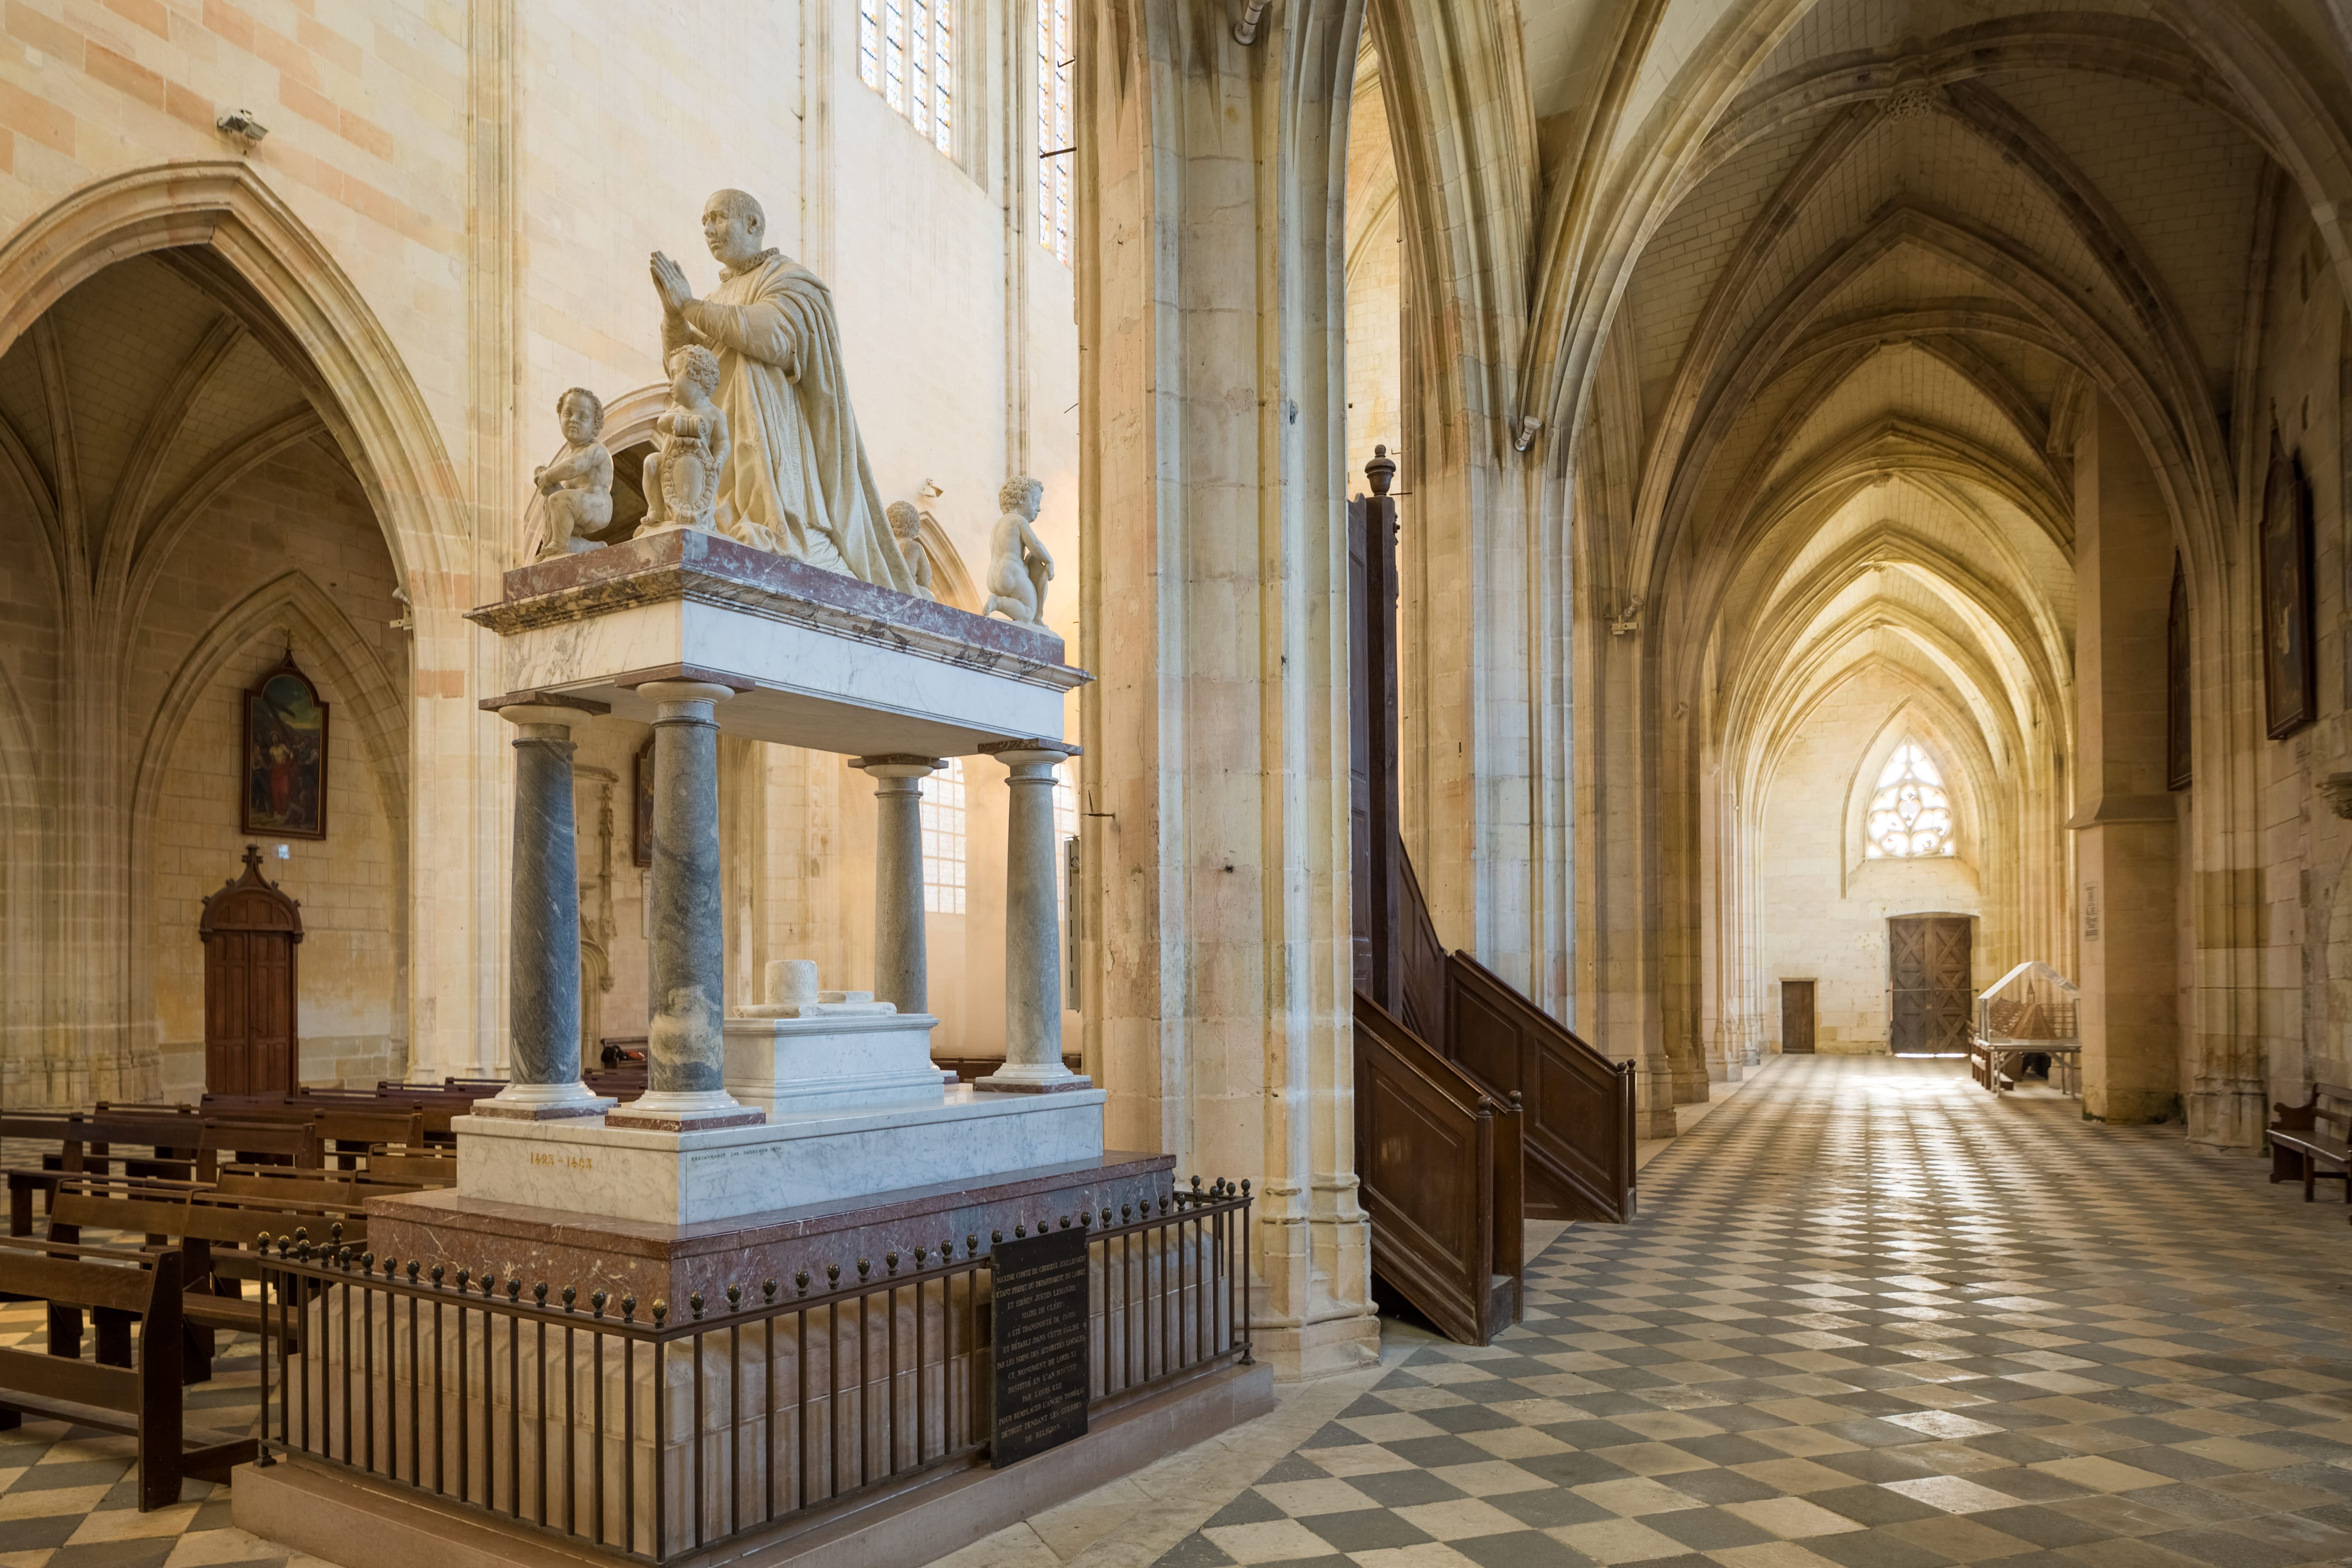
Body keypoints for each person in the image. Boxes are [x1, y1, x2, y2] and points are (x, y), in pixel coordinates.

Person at [649, 190, 915, 590]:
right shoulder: (717, 298)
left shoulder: (789, 279)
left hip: (772, 439)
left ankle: (783, 527)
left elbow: (772, 337)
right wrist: (674, 314)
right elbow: (685, 367)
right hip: (723, 432)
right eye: (704, 221)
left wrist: (689, 305)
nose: (708, 230)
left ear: (753, 225)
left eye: (718, 218)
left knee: (755, 366)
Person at [533, 387, 613, 557]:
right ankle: (591, 548)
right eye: (568, 413)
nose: (573, 420)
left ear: (595, 426)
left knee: (560, 500)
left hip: (598, 507)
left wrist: (548, 476)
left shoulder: (596, 450)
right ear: (560, 417)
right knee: (553, 499)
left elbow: (574, 467)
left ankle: (558, 547)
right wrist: (550, 485)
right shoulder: (573, 453)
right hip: (581, 507)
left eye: (583, 417)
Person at [984, 476, 1053, 625]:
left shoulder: (998, 524)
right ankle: (998, 603)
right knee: (1028, 612)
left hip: (993, 575)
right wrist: (1048, 561)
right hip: (1011, 572)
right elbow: (1035, 544)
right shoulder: (1019, 521)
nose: (1039, 508)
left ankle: (999, 602)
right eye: (1035, 501)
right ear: (1021, 498)